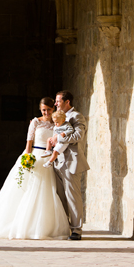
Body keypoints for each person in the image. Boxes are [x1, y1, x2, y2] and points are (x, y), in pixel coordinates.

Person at [0, 97, 69, 239]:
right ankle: (19, 225)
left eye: (49, 110)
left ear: (53, 109)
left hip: (47, 158)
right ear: (40, 109)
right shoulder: (35, 122)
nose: (46, 112)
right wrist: (27, 158)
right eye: (43, 110)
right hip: (33, 155)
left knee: (45, 191)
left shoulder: (57, 124)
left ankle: (41, 228)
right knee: (24, 189)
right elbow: (29, 142)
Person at [48, 90, 89, 240]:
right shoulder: (58, 117)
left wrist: (58, 138)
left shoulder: (76, 116)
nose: (56, 104)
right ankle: (65, 227)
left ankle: (77, 229)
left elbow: (78, 136)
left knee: (73, 196)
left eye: (58, 101)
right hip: (58, 161)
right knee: (60, 196)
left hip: (71, 161)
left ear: (67, 102)